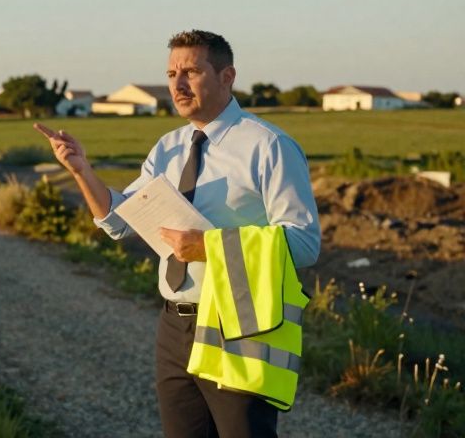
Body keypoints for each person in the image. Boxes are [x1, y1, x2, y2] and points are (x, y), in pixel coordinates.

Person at [33, 30, 320, 438]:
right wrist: (82, 171)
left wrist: (209, 247)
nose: (178, 84)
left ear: (227, 76)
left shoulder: (268, 145)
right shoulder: (168, 147)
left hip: (236, 323)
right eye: (171, 73)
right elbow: (118, 222)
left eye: (191, 71)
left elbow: (305, 242)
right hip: (173, 324)